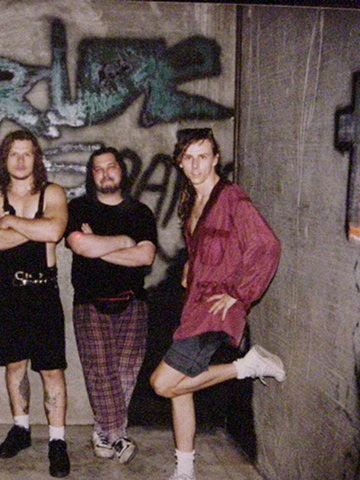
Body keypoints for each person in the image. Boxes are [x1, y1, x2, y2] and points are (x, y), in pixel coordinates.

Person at [149, 128, 284, 480]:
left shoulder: (232, 197)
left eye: (203, 156)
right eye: (188, 157)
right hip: (194, 306)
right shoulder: (192, 201)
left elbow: (266, 245)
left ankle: (247, 366)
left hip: (216, 310)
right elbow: (208, 249)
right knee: (181, 388)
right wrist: (190, 267)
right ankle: (185, 470)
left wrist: (240, 293)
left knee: (163, 383)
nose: (195, 165)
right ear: (180, 162)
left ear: (215, 159)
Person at [0, 129, 70, 478]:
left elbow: (54, 232)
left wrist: (12, 223)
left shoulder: (52, 192)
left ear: (36, 158)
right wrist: (36, 227)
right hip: (7, 291)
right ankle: (21, 428)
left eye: (27, 154)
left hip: (43, 291)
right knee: (14, 365)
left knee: (51, 369)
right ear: (4, 159)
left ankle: (57, 440)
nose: (20, 161)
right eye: (13, 154)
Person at [65, 146, 157, 464]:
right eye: (98, 169)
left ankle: (102, 431)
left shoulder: (140, 212)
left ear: (121, 170)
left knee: (126, 372)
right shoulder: (78, 207)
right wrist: (124, 242)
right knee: (101, 372)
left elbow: (145, 256)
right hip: (89, 301)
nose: (105, 173)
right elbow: (79, 245)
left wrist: (99, 247)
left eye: (111, 166)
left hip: (134, 301)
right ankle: (118, 435)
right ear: (91, 175)